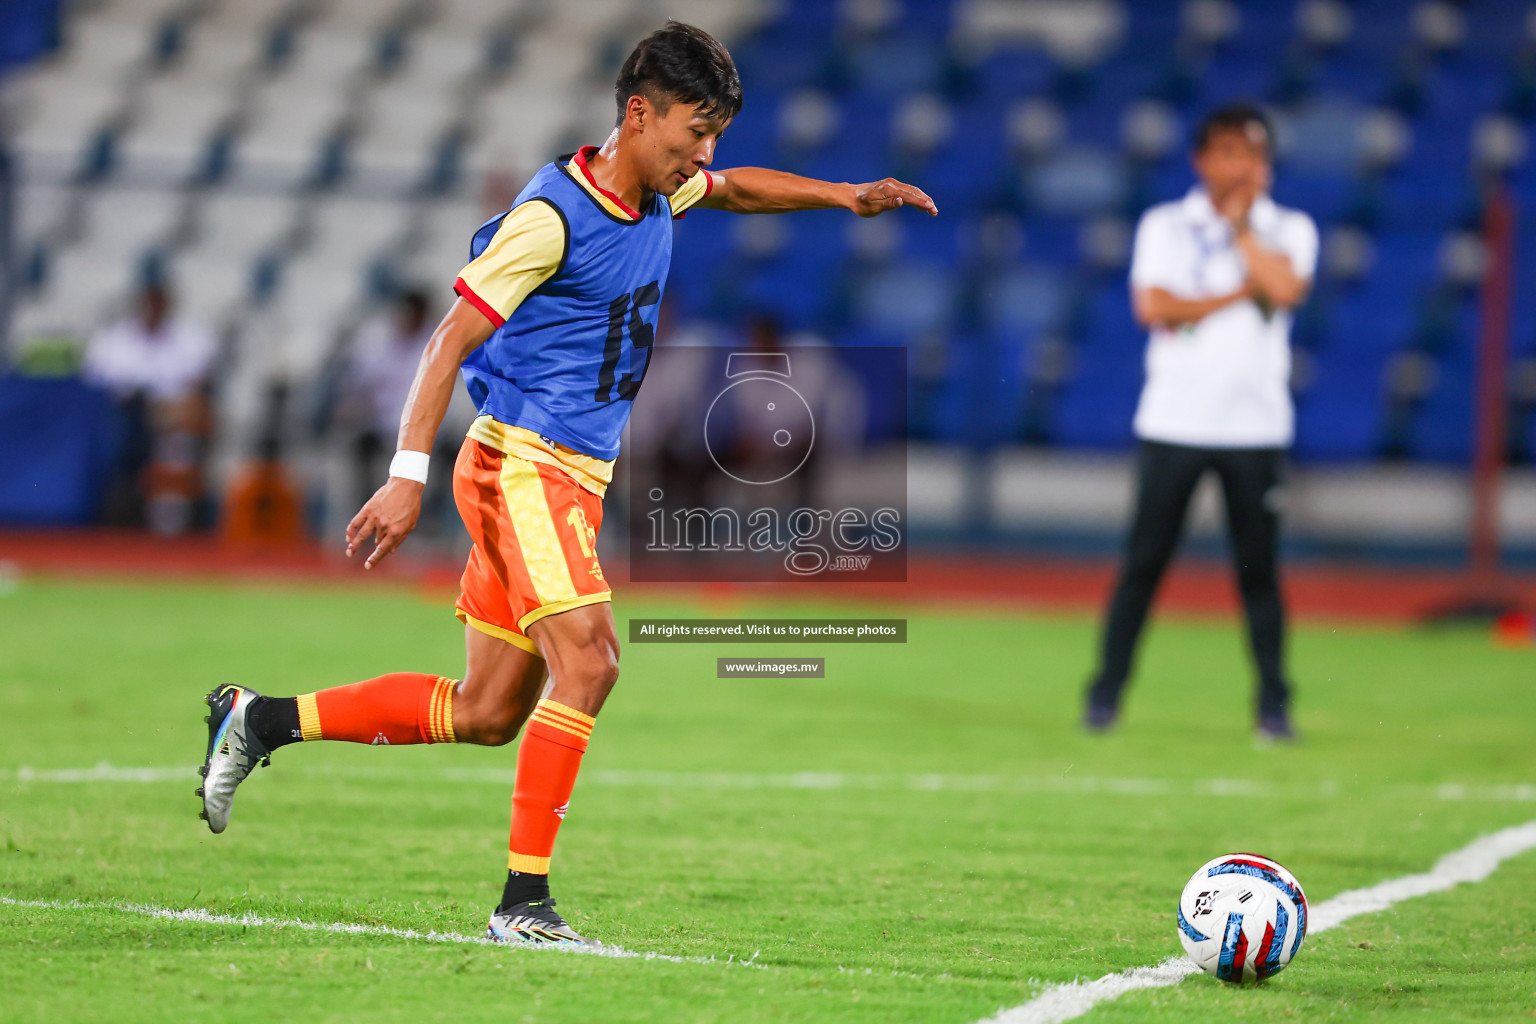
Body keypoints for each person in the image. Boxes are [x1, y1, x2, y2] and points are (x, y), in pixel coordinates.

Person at [196, 22, 936, 946]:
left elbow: (737, 189)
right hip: (524, 464)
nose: (703, 155)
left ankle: (259, 720)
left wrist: (842, 196)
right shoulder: (550, 217)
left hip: (566, 477)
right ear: (638, 114)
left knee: (489, 710)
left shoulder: (660, 192)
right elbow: (447, 339)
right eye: (692, 133)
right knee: (592, 664)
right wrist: (403, 476)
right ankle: (524, 905)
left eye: (712, 135)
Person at [1081, 103, 1317, 741]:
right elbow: (1154, 306)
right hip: (1174, 420)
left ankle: (1273, 705)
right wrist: (1243, 291)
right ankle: (1105, 693)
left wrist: (1243, 235)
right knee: (1144, 564)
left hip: (1256, 428)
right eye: (1234, 152)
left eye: (1257, 155)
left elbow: (1289, 291)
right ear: (1203, 160)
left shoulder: (1289, 227)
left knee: (1258, 574)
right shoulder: (1166, 224)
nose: (1247, 167)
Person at [82, 281, 216, 533]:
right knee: (120, 433)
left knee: (178, 439)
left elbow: (199, 387)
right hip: (123, 416)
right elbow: (98, 387)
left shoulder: (191, 339)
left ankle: (170, 523)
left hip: (172, 419)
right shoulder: (114, 339)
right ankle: (118, 514)